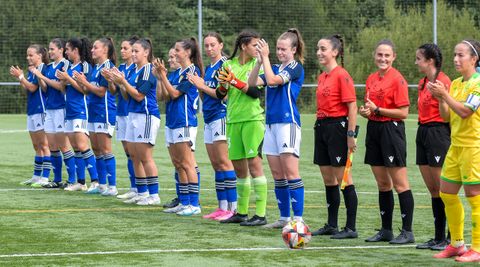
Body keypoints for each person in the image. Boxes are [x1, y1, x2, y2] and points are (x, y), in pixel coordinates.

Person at [246, 28, 305, 229]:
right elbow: (252, 83)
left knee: (290, 172)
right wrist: (259, 62)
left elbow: (272, 81)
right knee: (277, 174)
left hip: (287, 123)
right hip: (270, 125)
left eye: (283, 49)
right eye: (278, 49)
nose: (280, 52)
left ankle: (298, 219)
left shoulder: (295, 67)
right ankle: (283, 218)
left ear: (294, 49)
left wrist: (266, 58)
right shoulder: (275, 66)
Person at [359, 39, 415, 244]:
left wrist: (378, 110)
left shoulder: (397, 79)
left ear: (394, 57)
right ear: (375, 55)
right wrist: (366, 112)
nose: (383, 58)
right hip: (374, 129)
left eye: (387, 55)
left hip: (391, 131)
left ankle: (408, 232)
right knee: (383, 184)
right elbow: (371, 107)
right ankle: (386, 230)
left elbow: (404, 112)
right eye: (380, 55)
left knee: (400, 184)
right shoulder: (371, 78)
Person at [430, 39, 480, 262]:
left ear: (474, 58)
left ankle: (477, 247)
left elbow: (465, 112)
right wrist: (441, 97)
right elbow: (446, 116)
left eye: (461, 55)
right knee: (447, 193)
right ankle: (457, 244)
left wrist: (445, 95)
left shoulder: (478, 83)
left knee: (474, 196)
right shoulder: (457, 83)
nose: (456, 59)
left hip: (473, 146)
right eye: (454, 55)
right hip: (456, 145)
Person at [215, 30, 268, 226]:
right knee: (239, 170)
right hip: (233, 121)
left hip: (253, 120)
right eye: (255, 45)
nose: (258, 49)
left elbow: (254, 92)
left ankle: (261, 214)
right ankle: (242, 212)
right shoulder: (228, 64)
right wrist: (222, 85)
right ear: (244, 46)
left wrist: (233, 81)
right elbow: (221, 94)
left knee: (255, 167)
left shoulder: (259, 65)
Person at [310, 34, 358, 239]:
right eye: (318, 49)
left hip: (338, 128)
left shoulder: (342, 75)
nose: (319, 53)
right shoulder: (322, 76)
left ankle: (350, 228)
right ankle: (332, 224)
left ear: (335, 52)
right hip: (322, 127)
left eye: (323, 49)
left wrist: (350, 134)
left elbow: (352, 106)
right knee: (328, 179)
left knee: (343, 179)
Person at [188, 32, 237, 221]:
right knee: (217, 165)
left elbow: (223, 95)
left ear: (221, 45)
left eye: (212, 45)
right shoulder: (209, 68)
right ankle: (221, 207)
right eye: (206, 45)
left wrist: (201, 86)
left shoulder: (226, 65)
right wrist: (200, 87)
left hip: (221, 117)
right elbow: (206, 94)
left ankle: (232, 209)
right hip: (208, 119)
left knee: (225, 162)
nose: (209, 49)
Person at [154, 38, 203, 215]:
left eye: (177, 50)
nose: (174, 53)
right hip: (172, 122)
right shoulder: (176, 73)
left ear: (187, 53)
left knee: (187, 163)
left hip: (185, 122)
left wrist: (164, 77)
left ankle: (194, 204)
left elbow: (174, 93)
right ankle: (184, 201)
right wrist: (160, 78)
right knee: (178, 164)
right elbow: (162, 96)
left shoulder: (192, 71)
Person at [110, 38, 161, 205]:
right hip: (133, 115)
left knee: (145, 156)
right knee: (134, 156)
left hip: (145, 116)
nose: (133, 54)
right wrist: (120, 84)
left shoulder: (148, 70)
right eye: (132, 51)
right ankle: (141, 191)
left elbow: (139, 96)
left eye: (136, 51)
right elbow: (126, 96)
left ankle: (153, 195)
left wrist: (123, 82)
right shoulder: (134, 71)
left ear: (146, 52)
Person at [413, 43, 451, 250]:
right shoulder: (422, 82)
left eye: (419, 58)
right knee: (433, 189)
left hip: (438, 133)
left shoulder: (444, 81)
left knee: (444, 189)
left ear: (430, 61)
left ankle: (451, 237)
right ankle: (438, 237)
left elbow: (449, 113)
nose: (416, 62)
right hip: (423, 131)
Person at [74, 37, 117, 196]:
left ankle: (112, 186)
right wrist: (83, 82)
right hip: (92, 112)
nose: (92, 50)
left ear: (105, 50)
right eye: (92, 48)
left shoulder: (108, 67)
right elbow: (88, 91)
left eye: (95, 48)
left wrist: (86, 82)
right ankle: (101, 185)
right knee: (97, 150)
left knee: (106, 150)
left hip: (104, 112)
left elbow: (101, 92)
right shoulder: (95, 68)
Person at [30, 38, 74, 189]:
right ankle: (57, 179)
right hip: (50, 109)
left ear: (61, 50)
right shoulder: (48, 67)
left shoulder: (65, 64)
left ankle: (73, 180)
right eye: (49, 49)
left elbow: (60, 87)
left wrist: (42, 77)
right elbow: (45, 89)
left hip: (62, 108)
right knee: (53, 146)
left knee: (64, 146)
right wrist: (39, 76)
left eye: (53, 49)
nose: (50, 52)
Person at [56, 37, 99, 191]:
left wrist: (68, 79)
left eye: (67, 49)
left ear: (76, 50)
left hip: (81, 109)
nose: (66, 52)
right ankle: (81, 183)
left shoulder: (85, 66)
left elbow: (84, 90)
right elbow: (65, 89)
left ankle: (95, 180)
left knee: (82, 145)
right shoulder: (69, 67)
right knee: (75, 147)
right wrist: (63, 81)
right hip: (70, 110)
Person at [9, 44, 51, 186]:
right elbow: (27, 88)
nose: (28, 57)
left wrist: (20, 76)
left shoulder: (43, 69)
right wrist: (21, 77)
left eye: (31, 55)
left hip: (41, 111)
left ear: (39, 55)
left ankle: (45, 177)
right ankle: (36, 176)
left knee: (44, 145)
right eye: (27, 55)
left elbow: (33, 88)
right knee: (36, 145)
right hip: (32, 110)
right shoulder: (31, 70)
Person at [115, 36, 140, 200]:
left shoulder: (136, 69)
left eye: (126, 48)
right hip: (122, 112)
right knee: (128, 152)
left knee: (136, 153)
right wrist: (114, 82)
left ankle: (140, 188)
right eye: (122, 48)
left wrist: (122, 82)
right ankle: (134, 187)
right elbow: (118, 93)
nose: (122, 51)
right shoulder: (122, 68)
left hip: (132, 113)